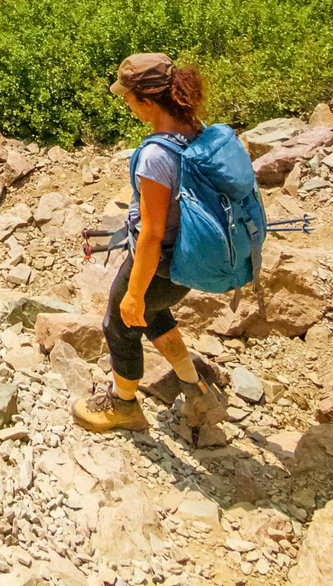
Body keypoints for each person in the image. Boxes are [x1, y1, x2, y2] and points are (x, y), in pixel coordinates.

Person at [72, 51, 214, 434]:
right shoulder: (195, 129)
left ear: (147, 101)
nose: (126, 103)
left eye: (128, 97)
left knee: (120, 322)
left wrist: (135, 290)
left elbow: (151, 232)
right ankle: (193, 384)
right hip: (189, 259)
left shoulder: (154, 154)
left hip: (159, 262)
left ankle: (123, 407)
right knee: (154, 311)